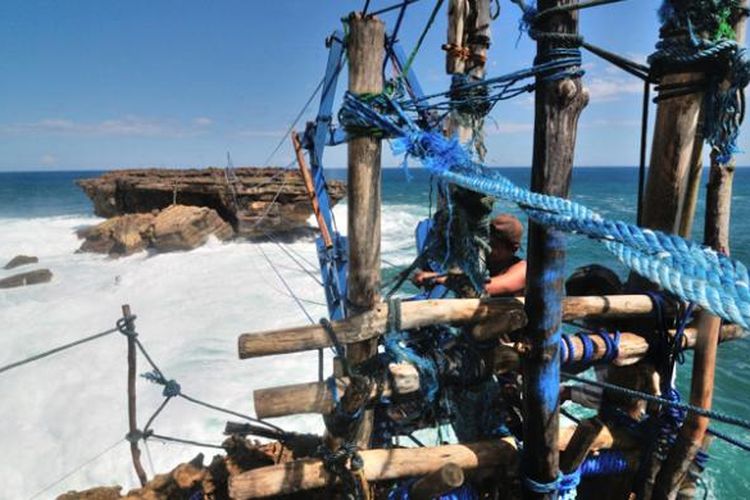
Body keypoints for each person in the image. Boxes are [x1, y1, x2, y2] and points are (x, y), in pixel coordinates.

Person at [412, 213, 527, 297]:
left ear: (514, 249)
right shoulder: (482, 261)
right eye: (486, 243)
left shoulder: (522, 270)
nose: (488, 250)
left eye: (495, 246)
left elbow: (487, 287)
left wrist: (437, 277)